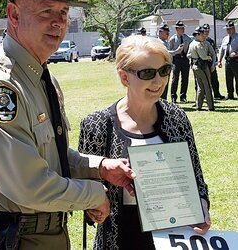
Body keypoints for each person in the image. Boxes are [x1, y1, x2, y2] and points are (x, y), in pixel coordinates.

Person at [0, 0, 136, 250]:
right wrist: (93, 193)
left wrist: (101, 167)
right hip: (11, 239)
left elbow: (54, 157)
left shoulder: (40, 77)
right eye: (46, 11)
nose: (58, 23)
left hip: (44, 236)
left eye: (63, 13)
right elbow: (30, 186)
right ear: (13, 15)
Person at [79, 35, 210, 249]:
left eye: (164, 71)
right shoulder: (96, 125)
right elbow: (86, 190)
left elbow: (196, 179)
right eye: (147, 73)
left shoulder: (177, 118)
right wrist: (92, 207)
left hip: (171, 236)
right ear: (124, 77)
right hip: (119, 238)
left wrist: (202, 206)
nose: (158, 82)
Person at [187, 26, 215, 111]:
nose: (204, 35)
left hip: (195, 66)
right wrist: (209, 58)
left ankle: (198, 106)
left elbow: (188, 55)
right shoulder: (198, 44)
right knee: (207, 85)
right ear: (198, 34)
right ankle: (211, 106)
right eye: (202, 34)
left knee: (200, 86)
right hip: (201, 66)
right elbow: (203, 57)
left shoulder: (192, 43)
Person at [169, 20, 192, 103]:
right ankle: (173, 97)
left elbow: (192, 46)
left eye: (183, 28)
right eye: (180, 28)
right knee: (175, 78)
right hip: (177, 60)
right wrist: (177, 50)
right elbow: (170, 51)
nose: (182, 30)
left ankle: (183, 96)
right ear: (176, 29)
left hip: (185, 59)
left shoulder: (187, 38)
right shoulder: (172, 39)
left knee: (185, 78)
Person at [203, 24, 225, 99]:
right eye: (205, 30)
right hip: (203, 64)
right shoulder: (200, 40)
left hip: (211, 63)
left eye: (208, 31)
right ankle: (204, 95)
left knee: (215, 79)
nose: (206, 32)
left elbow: (214, 53)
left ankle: (217, 94)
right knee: (204, 81)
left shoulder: (211, 41)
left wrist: (214, 64)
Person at [218, 21, 238, 100]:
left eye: (230, 29)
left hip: (236, 61)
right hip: (228, 61)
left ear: (234, 28)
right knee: (228, 78)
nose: (229, 30)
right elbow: (221, 50)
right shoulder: (225, 39)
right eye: (227, 29)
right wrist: (219, 60)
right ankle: (230, 94)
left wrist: (237, 54)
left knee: (237, 78)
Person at [157, 23, 171, 99]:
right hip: (161, 67)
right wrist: (176, 51)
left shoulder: (166, 42)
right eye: (166, 33)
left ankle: (163, 101)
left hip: (166, 66)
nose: (168, 35)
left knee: (165, 85)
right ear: (160, 32)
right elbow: (166, 53)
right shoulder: (159, 43)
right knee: (161, 85)